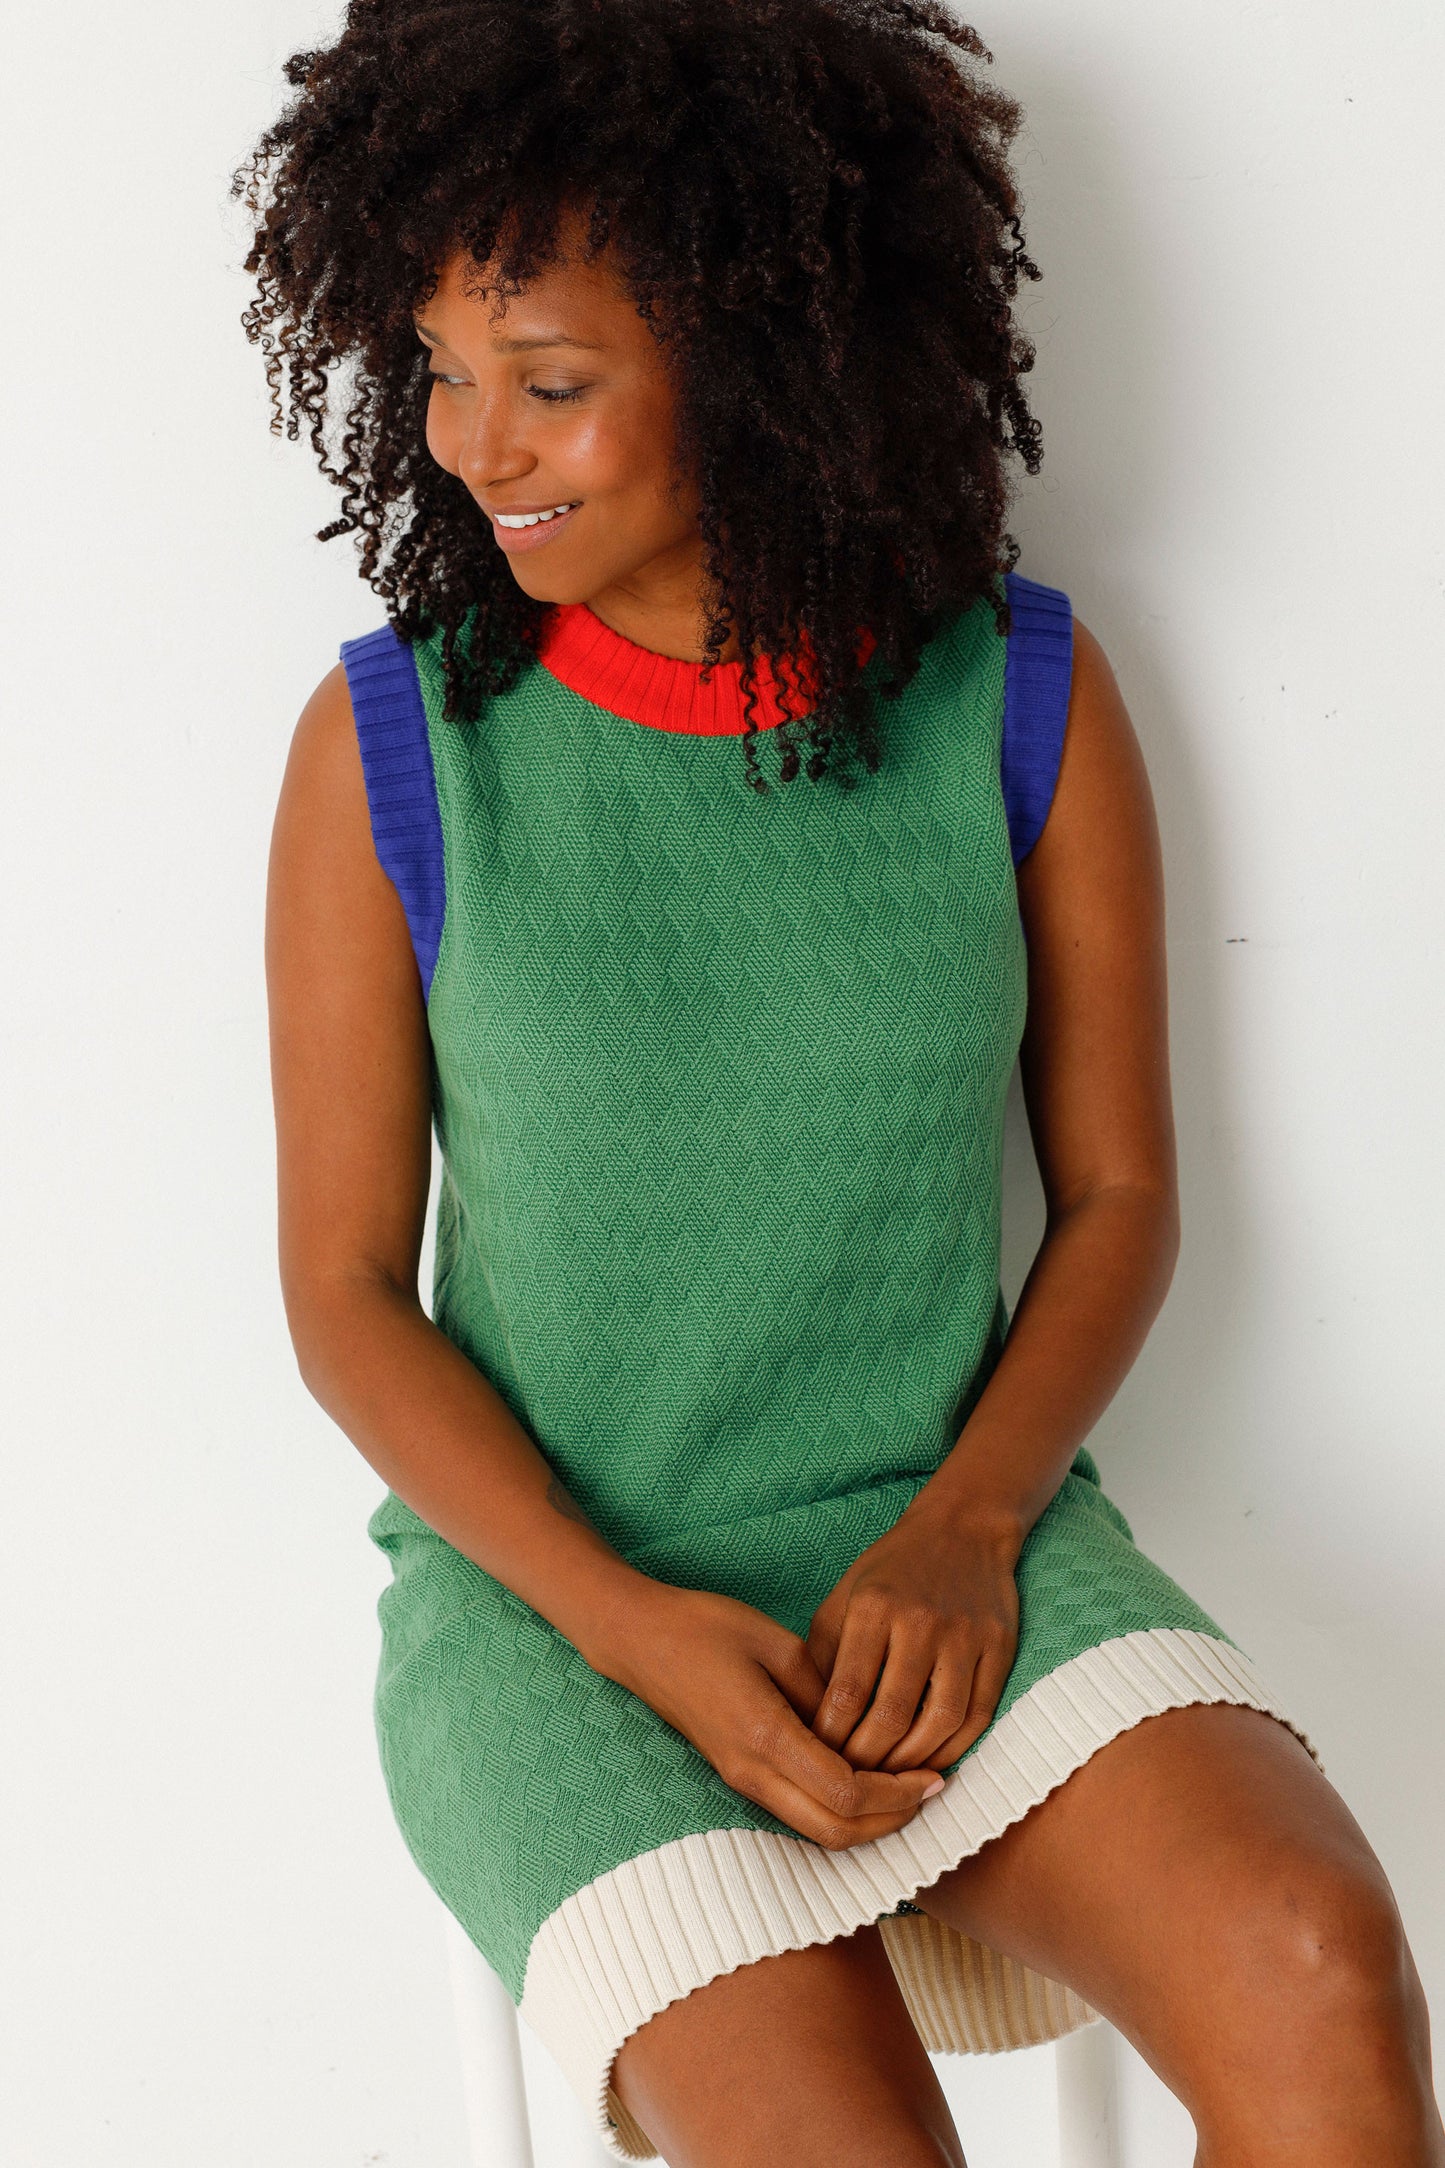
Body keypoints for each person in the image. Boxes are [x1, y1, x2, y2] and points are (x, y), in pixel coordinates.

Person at [238, 2, 1443, 2161]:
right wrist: (635, 1630)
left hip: (954, 1548)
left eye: (550, 382)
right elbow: (343, 1296)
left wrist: (970, 1527)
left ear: (757, 360)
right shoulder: (397, 749)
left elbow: (1121, 1196)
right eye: (438, 368)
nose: (474, 445)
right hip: (558, 1608)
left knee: (1314, 1963)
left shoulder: (1018, 698)